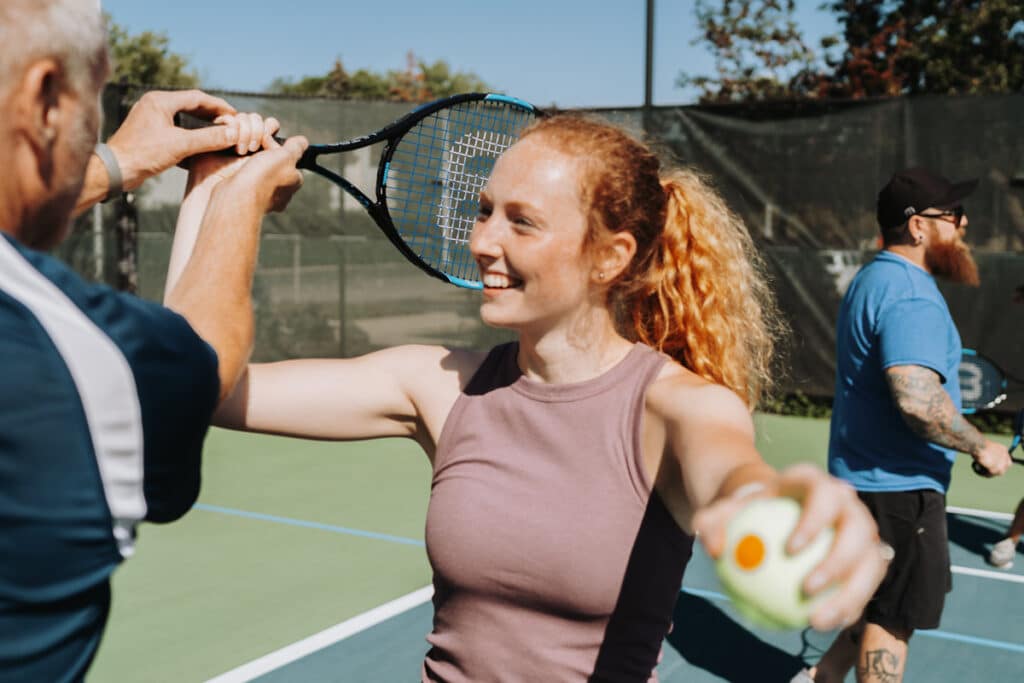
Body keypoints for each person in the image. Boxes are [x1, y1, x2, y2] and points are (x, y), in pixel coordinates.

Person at [171, 112, 889, 681]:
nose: (483, 239)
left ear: (610, 257)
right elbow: (195, 381)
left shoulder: (677, 408)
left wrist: (786, 511)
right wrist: (216, 192)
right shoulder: (439, 384)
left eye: (521, 220)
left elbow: (735, 479)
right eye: (484, 210)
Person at [0, 1, 308, 681]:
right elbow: (204, 354)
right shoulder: (68, 362)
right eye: (93, 104)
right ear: (46, 99)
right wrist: (235, 195)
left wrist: (115, 163)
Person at [802, 168, 1013, 683]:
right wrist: (981, 447)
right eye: (953, 216)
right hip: (900, 492)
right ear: (917, 227)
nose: (963, 225)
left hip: (863, 481)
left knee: (877, 602)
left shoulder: (873, 279)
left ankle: (820, 678)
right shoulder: (912, 294)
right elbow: (917, 400)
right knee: (892, 620)